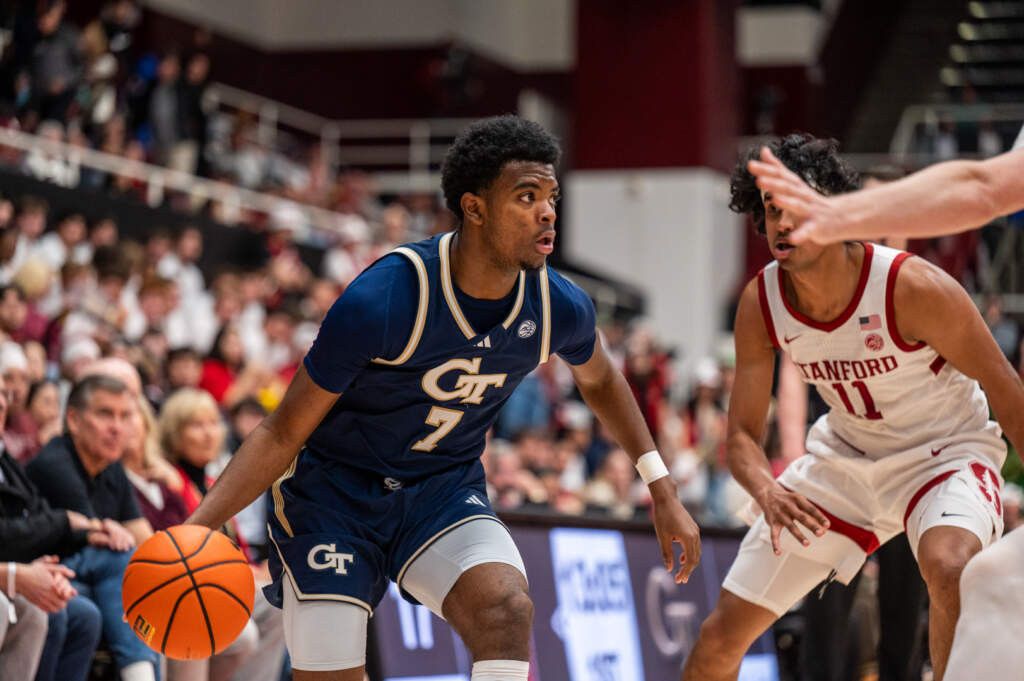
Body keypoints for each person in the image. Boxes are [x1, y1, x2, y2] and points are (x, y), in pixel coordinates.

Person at [186, 115, 701, 681]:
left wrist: (662, 489)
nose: (548, 212)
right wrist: (201, 525)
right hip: (334, 495)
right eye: (526, 196)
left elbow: (601, 380)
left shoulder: (559, 304)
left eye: (551, 197)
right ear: (474, 207)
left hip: (441, 490)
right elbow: (283, 430)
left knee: (507, 608)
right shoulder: (385, 298)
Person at [679, 134, 1024, 681]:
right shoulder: (761, 301)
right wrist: (767, 491)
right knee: (719, 637)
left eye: (796, 204)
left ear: (837, 208)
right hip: (845, 458)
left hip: (944, 455)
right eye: (771, 210)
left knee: (950, 566)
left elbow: (1005, 387)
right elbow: (741, 436)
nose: (782, 222)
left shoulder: (912, 286)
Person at [26, 375, 159, 681]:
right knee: (119, 560)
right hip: (44, 572)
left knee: (159, 582)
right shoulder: (54, 463)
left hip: (88, 584)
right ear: (73, 420)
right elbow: (98, 538)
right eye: (105, 414)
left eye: (124, 416)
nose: (117, 427)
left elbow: (147, 542)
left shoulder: (111, 465)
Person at [0, 371, 104, 681]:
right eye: (105, 413)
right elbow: (10, 534)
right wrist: (18, 575)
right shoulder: (54, 460)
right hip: (12, 566)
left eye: (4, 395)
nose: (2, 403)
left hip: (24, 562)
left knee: (84, 613)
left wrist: (89, 532)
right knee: (35, 609)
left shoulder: (6, 460)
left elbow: (38, 516)